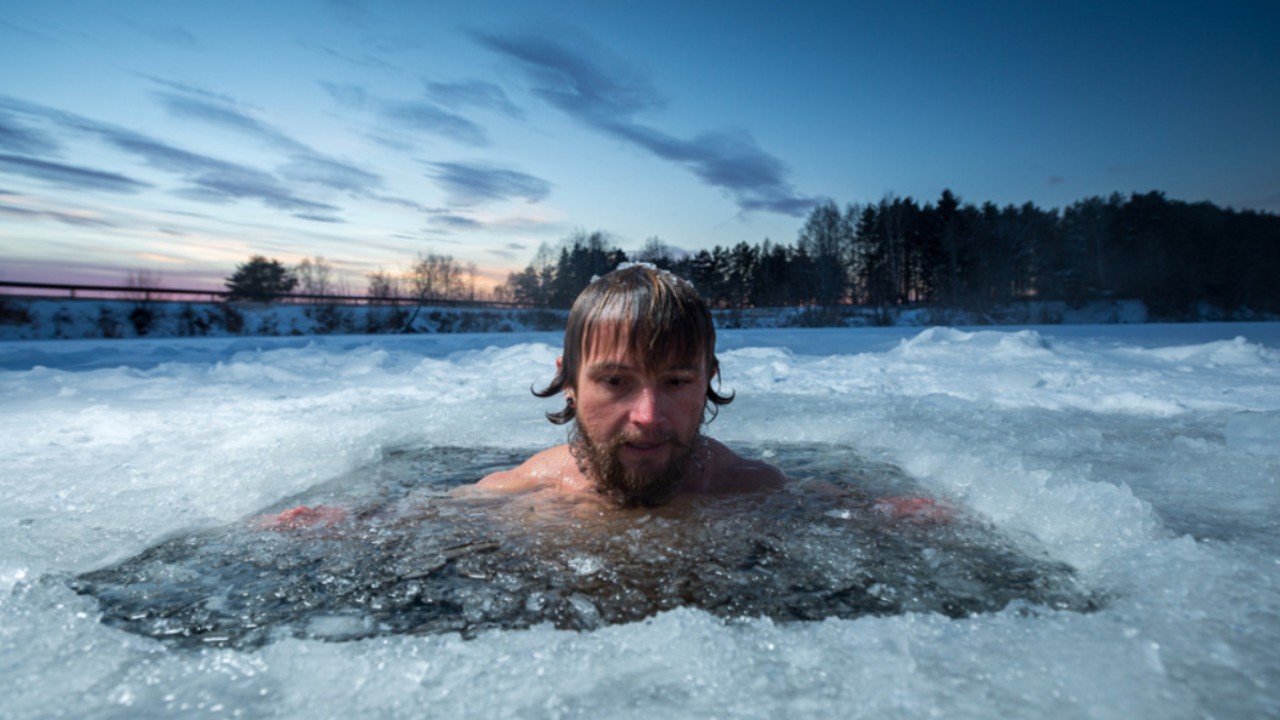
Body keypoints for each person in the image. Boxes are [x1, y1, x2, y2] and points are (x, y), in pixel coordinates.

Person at [473, 263, 786, 507]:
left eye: (676, 381)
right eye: (615, 381)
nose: (648, 416)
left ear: (708, 381)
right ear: (569, 382)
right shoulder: (511, 497)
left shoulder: (759, 490)